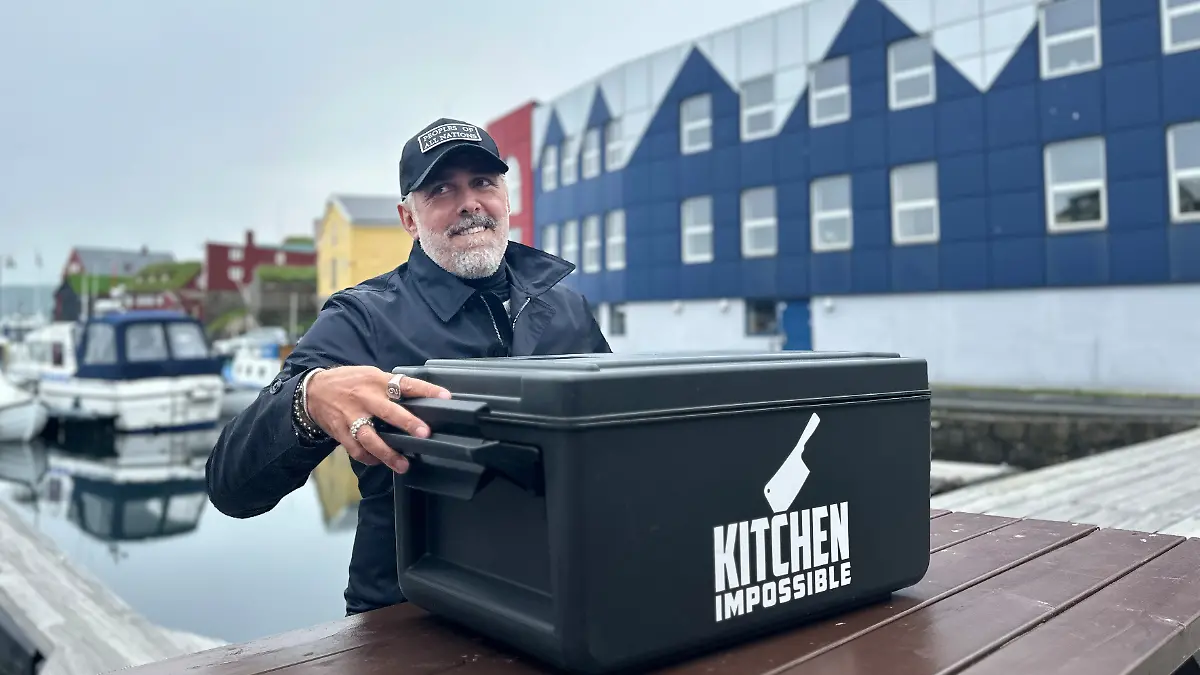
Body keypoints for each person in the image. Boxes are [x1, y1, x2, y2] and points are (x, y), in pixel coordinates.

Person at [205, 117, 611, 615]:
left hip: (557, 604)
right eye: (441, 189)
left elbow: (615, 452)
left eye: (483, 182)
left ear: (507, 198)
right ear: (409, 219)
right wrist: (307, 399)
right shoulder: (361, 318)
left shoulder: (566, 309)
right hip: (409, 622)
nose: (469, 203)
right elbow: (231, 486)